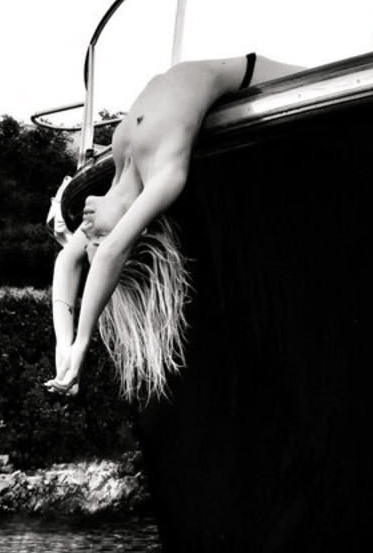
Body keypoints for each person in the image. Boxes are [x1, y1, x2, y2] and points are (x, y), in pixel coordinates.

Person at [46, 53, 298, 403]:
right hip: (252, 74)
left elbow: (66, 262)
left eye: (88, 239)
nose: (85, 232)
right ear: (134, 231)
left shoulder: (122, 172)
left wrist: (64, 344)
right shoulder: (164, 178)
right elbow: (110, 255)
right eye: (97, 238)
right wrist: (83, 342)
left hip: (240, 68)